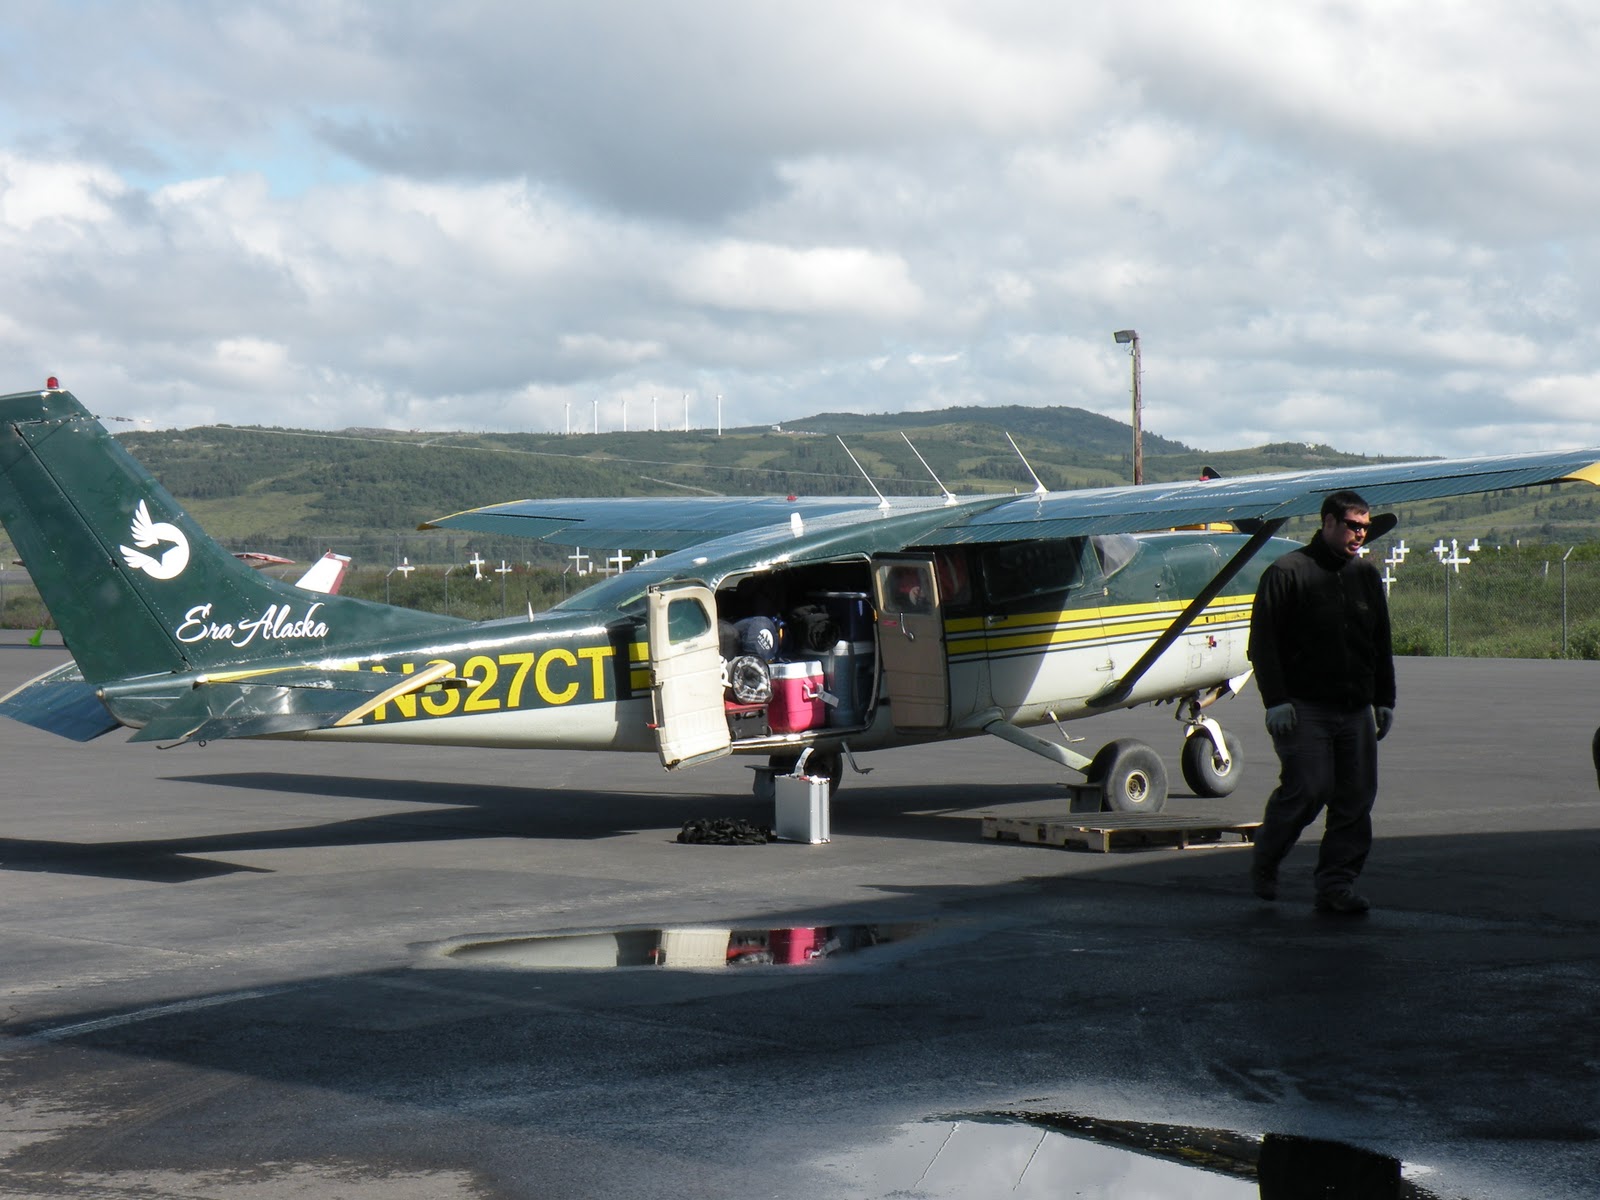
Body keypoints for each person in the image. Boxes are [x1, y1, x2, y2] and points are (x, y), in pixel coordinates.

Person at [1247, 490, 1396, 915]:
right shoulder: (1287, 573)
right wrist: (1275, 701)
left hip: (1354, 709)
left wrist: (1384, 699)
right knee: (1308, 789)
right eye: (1353, 525)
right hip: (1303, 706)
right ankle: (1266, 859)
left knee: (1355, 799)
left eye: (1365, 528)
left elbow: (1379, 642)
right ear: (1327, 522)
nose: (1360, 535)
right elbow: (1263, 644)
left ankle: (1336, 886)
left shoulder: (1365, 575)